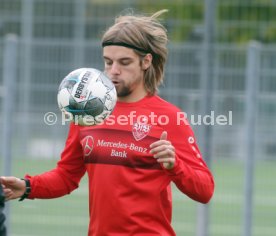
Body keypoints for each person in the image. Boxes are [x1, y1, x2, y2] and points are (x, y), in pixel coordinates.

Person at [0, 9, 214, 236]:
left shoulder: (169, 117)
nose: (113, 71)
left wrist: (175, 165)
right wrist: (28, 187)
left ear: (146, 61)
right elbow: (66, 176)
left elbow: (205, 190)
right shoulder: (87, 111)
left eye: (124, 62)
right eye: (108, 62)